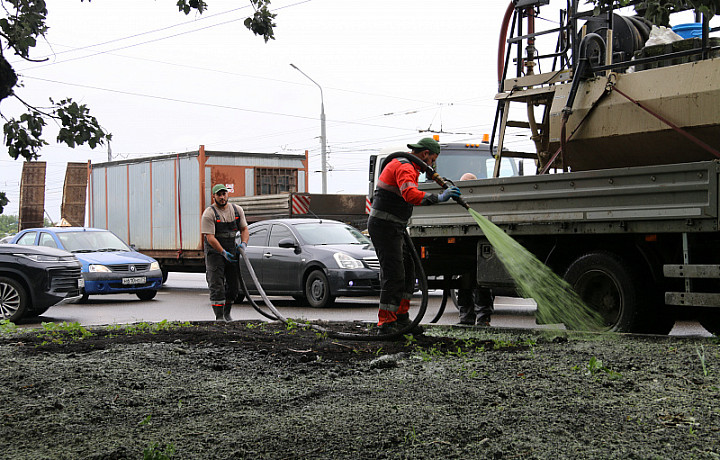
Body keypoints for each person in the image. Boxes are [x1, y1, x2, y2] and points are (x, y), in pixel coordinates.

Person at [368, 137, 461, 333]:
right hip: (385, 226)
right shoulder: (405, 167)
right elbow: (409, 194)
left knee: (408, 272)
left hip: (395, 226)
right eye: (433, 159)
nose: (432, 165)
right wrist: (439, 198)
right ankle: (385, 323)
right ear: (425, 154)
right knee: (394, 273)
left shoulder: (407, 165)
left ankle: (402, 319)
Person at [201, 184, 250, 321]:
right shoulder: (209, 213)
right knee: (217, 285)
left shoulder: (236, 210)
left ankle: (227, 313)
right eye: (219, 195)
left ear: (227, 195)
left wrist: (244, 244)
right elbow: (210, 237)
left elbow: (244, 229)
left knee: (234, 286)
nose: (222, 197)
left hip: (231, 249)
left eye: (224, 194)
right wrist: (222, 252)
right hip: (215, 252)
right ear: (214, 196)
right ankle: (220, 316)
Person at [456, 171, 494, 326]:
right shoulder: (461, 202)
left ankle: (482, 317)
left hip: (475, 245)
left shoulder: (477, 201)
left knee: (480, 284)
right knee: (465, 283)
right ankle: (469, 317)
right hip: (467, 247)